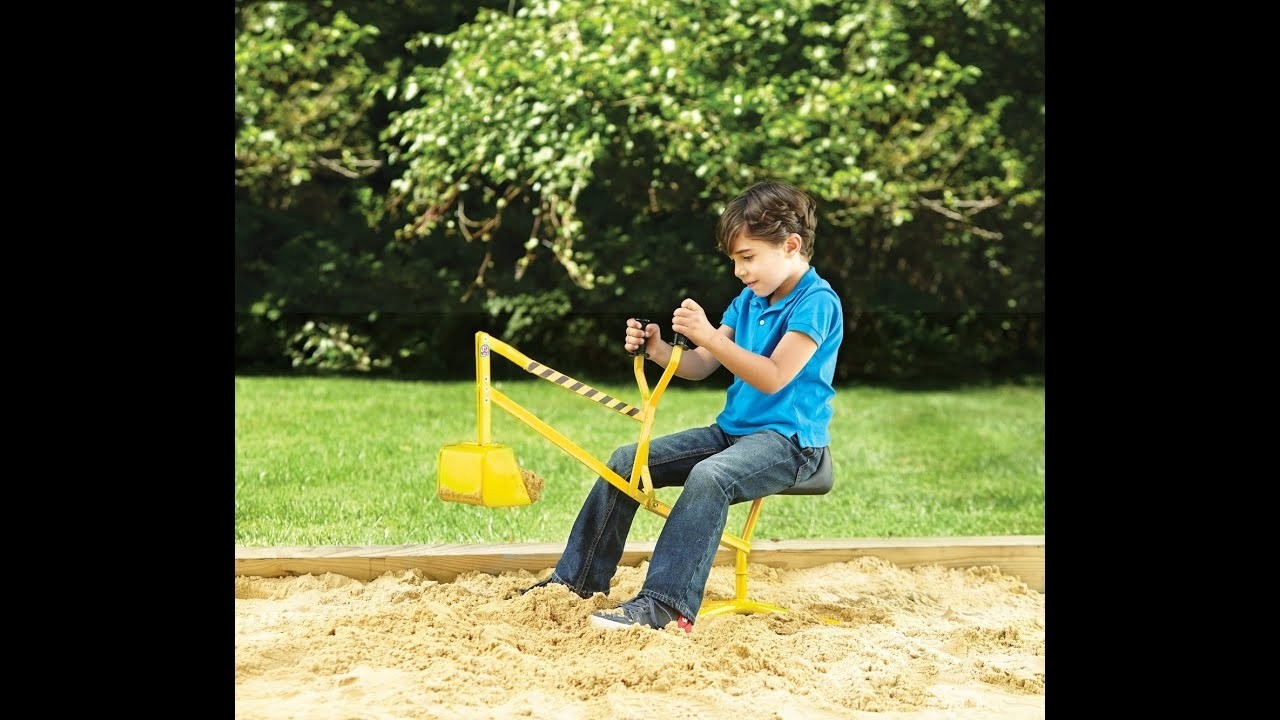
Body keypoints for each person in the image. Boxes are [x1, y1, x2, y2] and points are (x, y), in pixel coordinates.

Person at [525, 181, 844, 634]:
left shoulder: (817, 303)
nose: (738, 271)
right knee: (625, 462)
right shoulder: (749, 301)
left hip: (791, 444)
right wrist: (657, 348)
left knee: (710, 475)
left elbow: (773, 376)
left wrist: (710, 333)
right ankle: (575, 581)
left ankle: (665, 604)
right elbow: (701, 364)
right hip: (734, 432)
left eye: (748, 257)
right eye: (734, 260)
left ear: (790, 245)